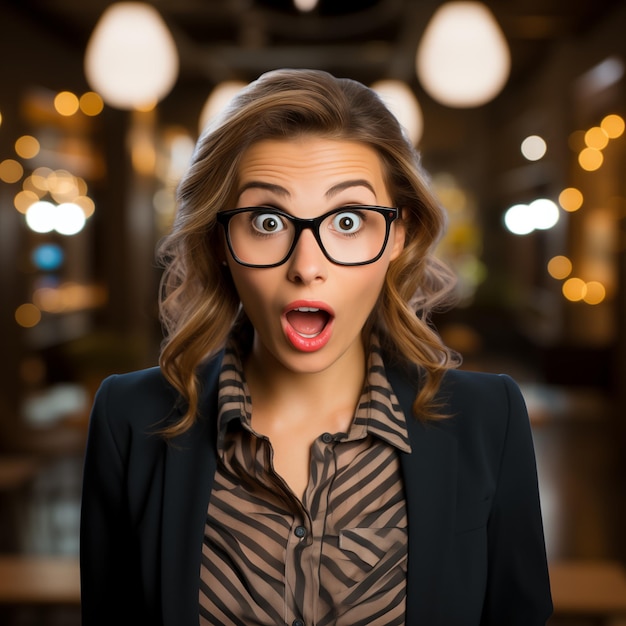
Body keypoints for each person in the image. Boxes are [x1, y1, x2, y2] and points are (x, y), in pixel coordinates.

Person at [80, 68, 553, 625]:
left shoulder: (488, 420)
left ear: (396, 238)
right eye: (267, 220)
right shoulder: (129, 420)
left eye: (348, 221)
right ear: (221, 241)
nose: (307, 267)